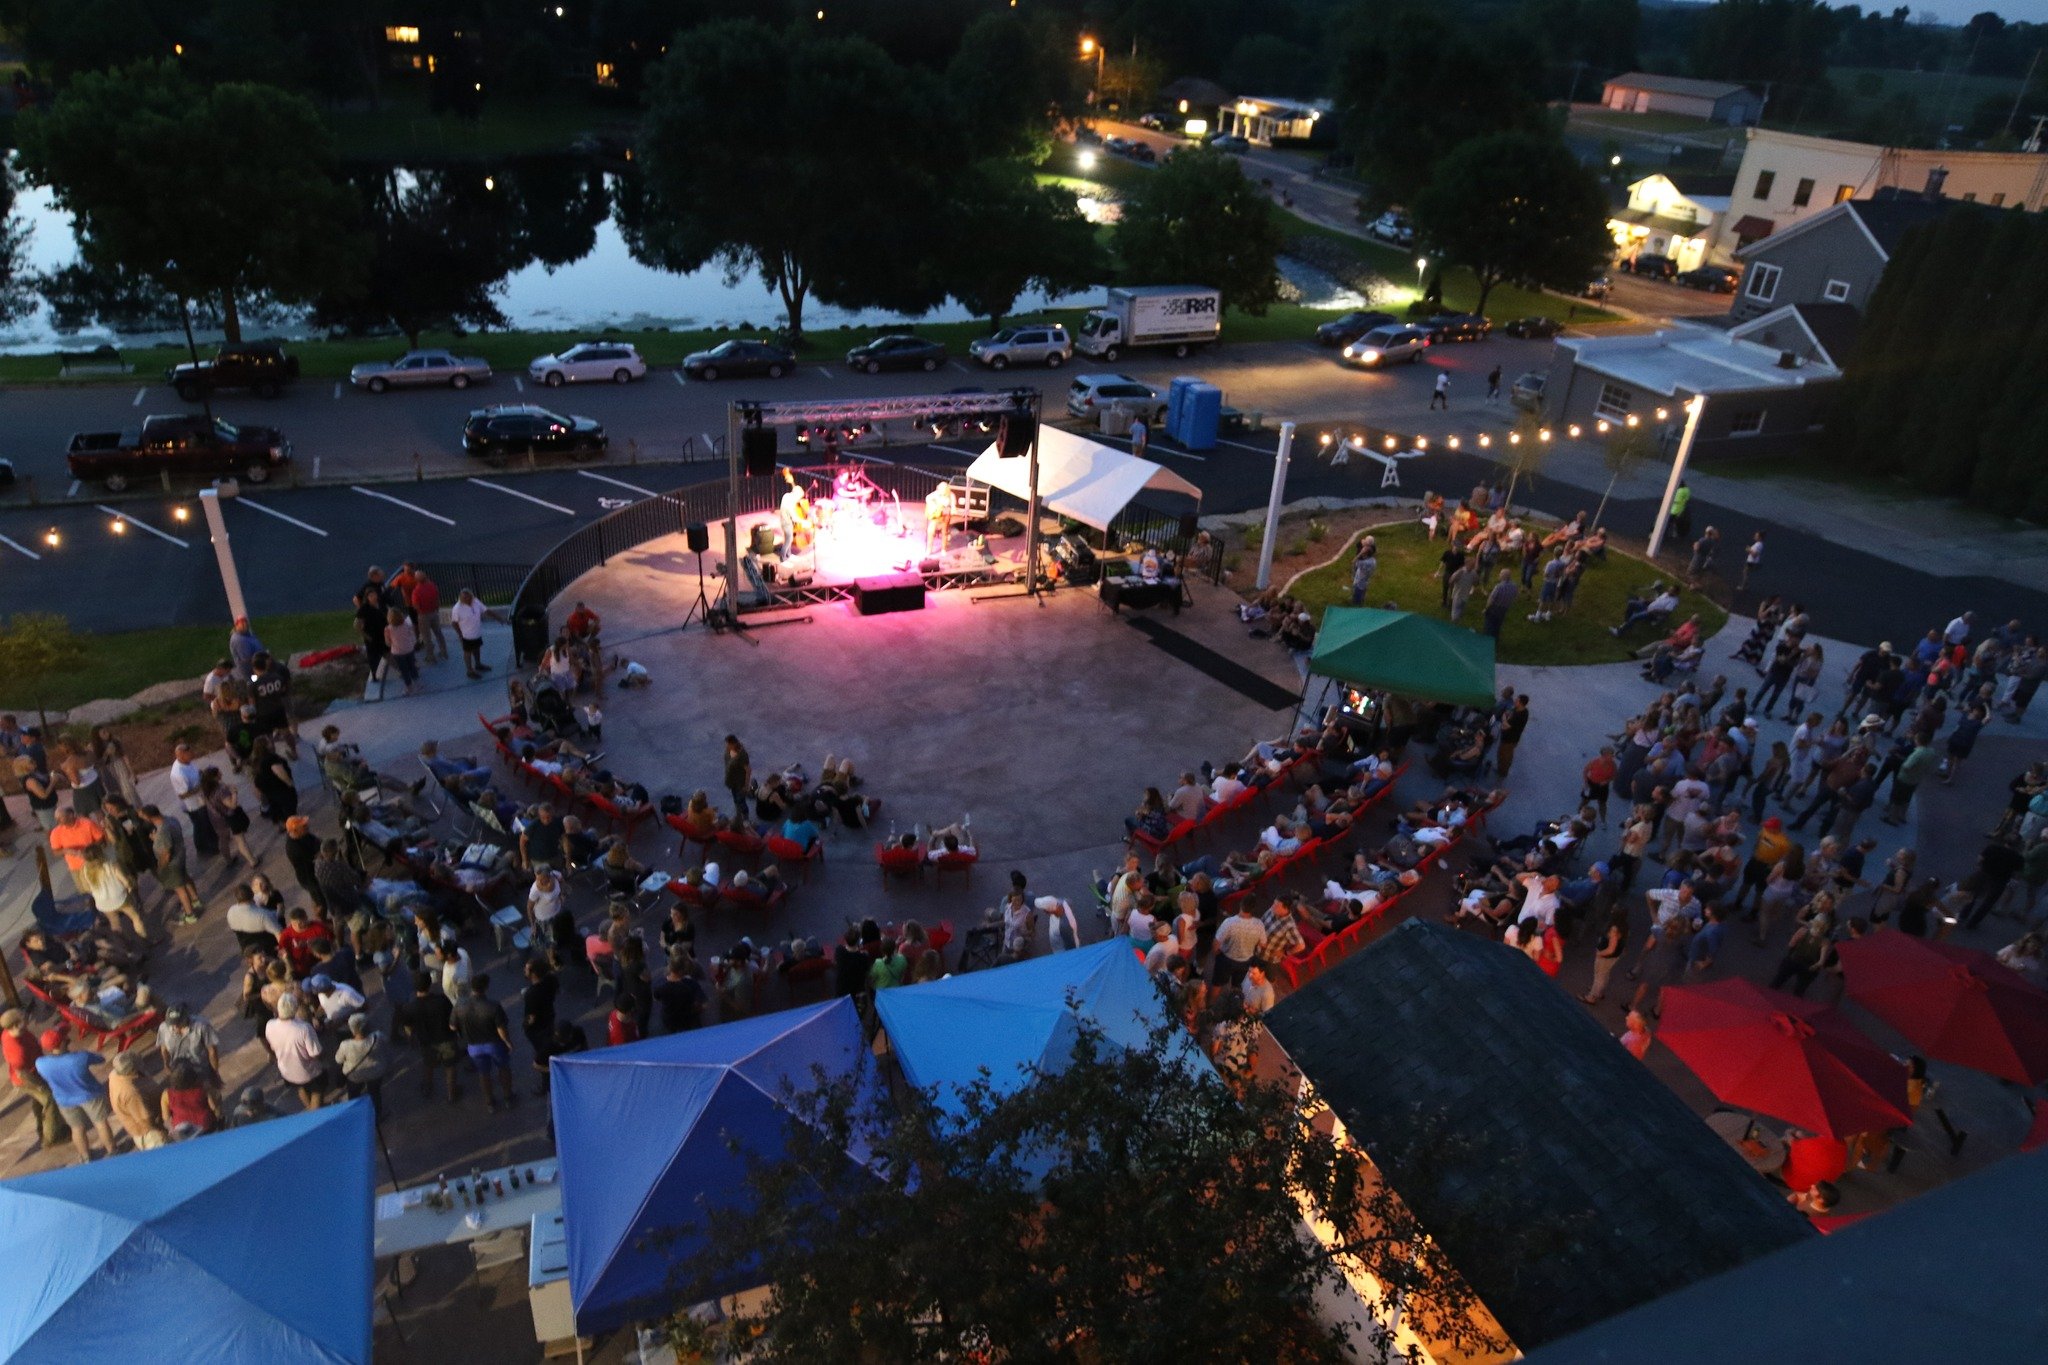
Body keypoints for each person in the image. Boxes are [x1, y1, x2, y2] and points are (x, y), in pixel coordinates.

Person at [36, 1029, 117, 1162]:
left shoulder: (40, 1063)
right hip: (90, 1095)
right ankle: (112, 1150)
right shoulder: (80, 1057)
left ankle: (85, 1156)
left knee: (77, 1128)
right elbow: (100, 1059)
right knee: (100, 1122)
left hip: (64, 1100)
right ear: (62, 1043)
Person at [396, 974, 461, 1103]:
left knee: (428, 1064)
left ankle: (428, 1086)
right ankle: (451, 1094)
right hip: (446, 1038)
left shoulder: (409, 1007)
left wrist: (411, 1038)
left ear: (415, 988)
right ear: (430, 984)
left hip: (426, 1041)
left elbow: (407, 1027)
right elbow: (453, 1017)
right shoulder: (442, 1000)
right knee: (450, 1066)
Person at [107, 1052, 167, 1150]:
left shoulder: (114, 1074)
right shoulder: (130, 1092)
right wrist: (160, 1131)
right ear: (132, 1070)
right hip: (149, 1135)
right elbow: (145, 1119)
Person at [1482, 569, 1517, 640]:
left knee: (1489, 625)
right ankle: (1495, 640)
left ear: (1503, 576)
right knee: (1498, 625)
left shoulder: (1499, 587)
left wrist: (1486, 609)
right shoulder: (1514, 586)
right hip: (1504, 609)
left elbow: (1491, 599)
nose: (1499, 575)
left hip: (1494, 608)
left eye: (1500, 574)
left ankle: (1487, 640)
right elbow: (1515, 596)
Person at [1349, 535, 1378, 607]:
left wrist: (1360, 553)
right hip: (1365, 579)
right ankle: (1362, 599)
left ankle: (1356, 603)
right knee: (1363, 588)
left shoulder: (1363, 563)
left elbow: (1353, 562)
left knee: (1357, 592)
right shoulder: (1373, 561)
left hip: (1360, 581)